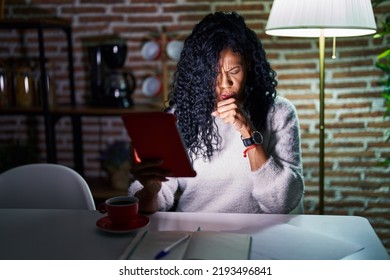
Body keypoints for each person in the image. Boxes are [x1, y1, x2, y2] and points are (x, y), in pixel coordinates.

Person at [129, 11, 304, 214]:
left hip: (258, 232)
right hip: (196, 229)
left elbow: (283, 203)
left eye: (234, 71)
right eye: (214, 73)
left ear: (248, 65)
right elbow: (151, 205)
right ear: (201, 72)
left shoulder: (279, 112)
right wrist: (150, 191)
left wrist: (248, 133)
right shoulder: (181, 115)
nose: (225, 84)